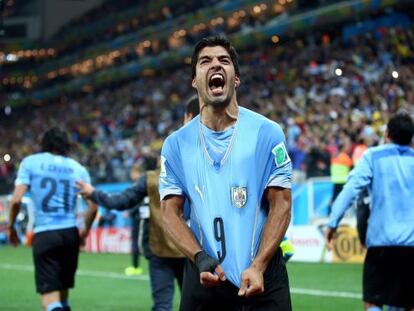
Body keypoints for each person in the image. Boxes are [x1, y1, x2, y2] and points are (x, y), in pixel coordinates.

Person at [159, 36, 292, 310]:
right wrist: (198, 257)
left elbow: (281, 203)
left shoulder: (267, 133)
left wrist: (259, 265)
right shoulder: (176, 145)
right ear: (195, 80)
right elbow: (169, 211)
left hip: (263, 277)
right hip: (206, 277)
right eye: (205, 61)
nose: (215, 65)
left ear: (236, 78)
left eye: (224, 60)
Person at [76, 95, 200, 311]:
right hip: (193, 250)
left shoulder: (151, 178)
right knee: (194, 305)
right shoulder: (201, 172)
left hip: (160, 250)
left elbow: (120, 201)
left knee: (162, 305)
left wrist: (94, 193)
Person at [325, 112, 414, 311]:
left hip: (381, 244)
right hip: (411, 245)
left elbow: (351, 189)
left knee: (373, 302)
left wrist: (332, 223)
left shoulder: (373, 156)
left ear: (387, 134)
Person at [7, 127, 97, 311]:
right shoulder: (77, 168)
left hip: (46, 234)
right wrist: (84, 231)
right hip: (70, 234)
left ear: (44, 143)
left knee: (49, 300)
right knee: (63, 297)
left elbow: (16, 200)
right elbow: (94, 206)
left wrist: (11, 227)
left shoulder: (31, 163)